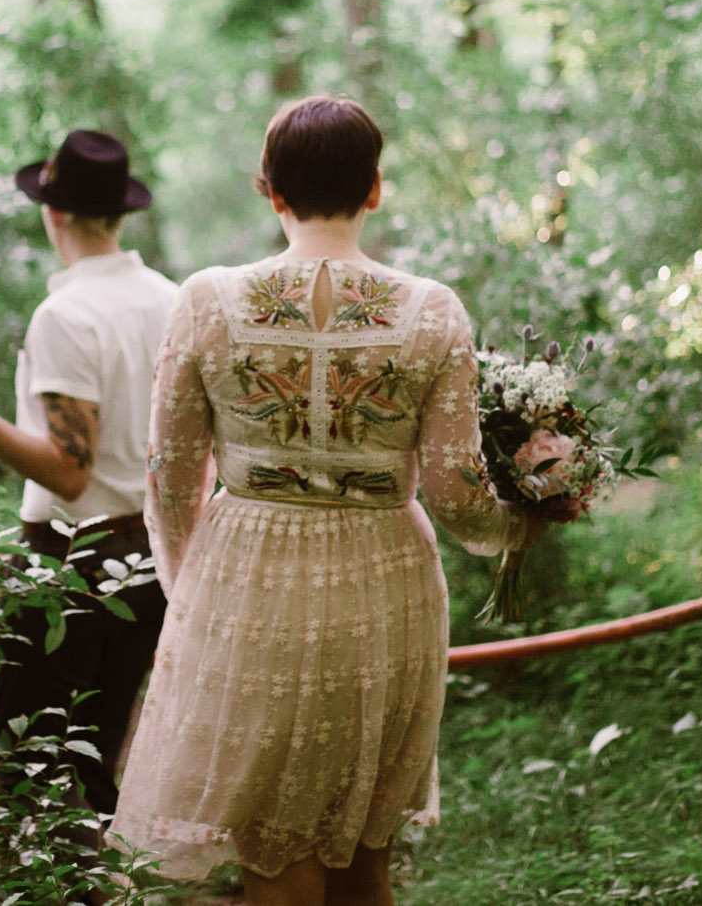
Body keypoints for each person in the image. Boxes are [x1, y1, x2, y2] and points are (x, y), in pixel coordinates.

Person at [109, 96, 538, 905]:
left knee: (276, 845)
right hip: (385, 578)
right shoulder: (431, 310)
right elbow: (454, 491)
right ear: (375, 188)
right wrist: (520, 521)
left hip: (249, 577)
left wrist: (190, 587)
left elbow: (170, 474)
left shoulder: (206, 300)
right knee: (365, 839)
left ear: (268, 189)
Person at [0, 128, 178, 822]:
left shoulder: (66, 313)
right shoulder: (170, 299)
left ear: (53, 211)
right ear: (119, 212)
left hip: (72, 561)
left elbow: (69, 472)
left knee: (19, 768)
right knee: (96, 763)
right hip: (148, 559)